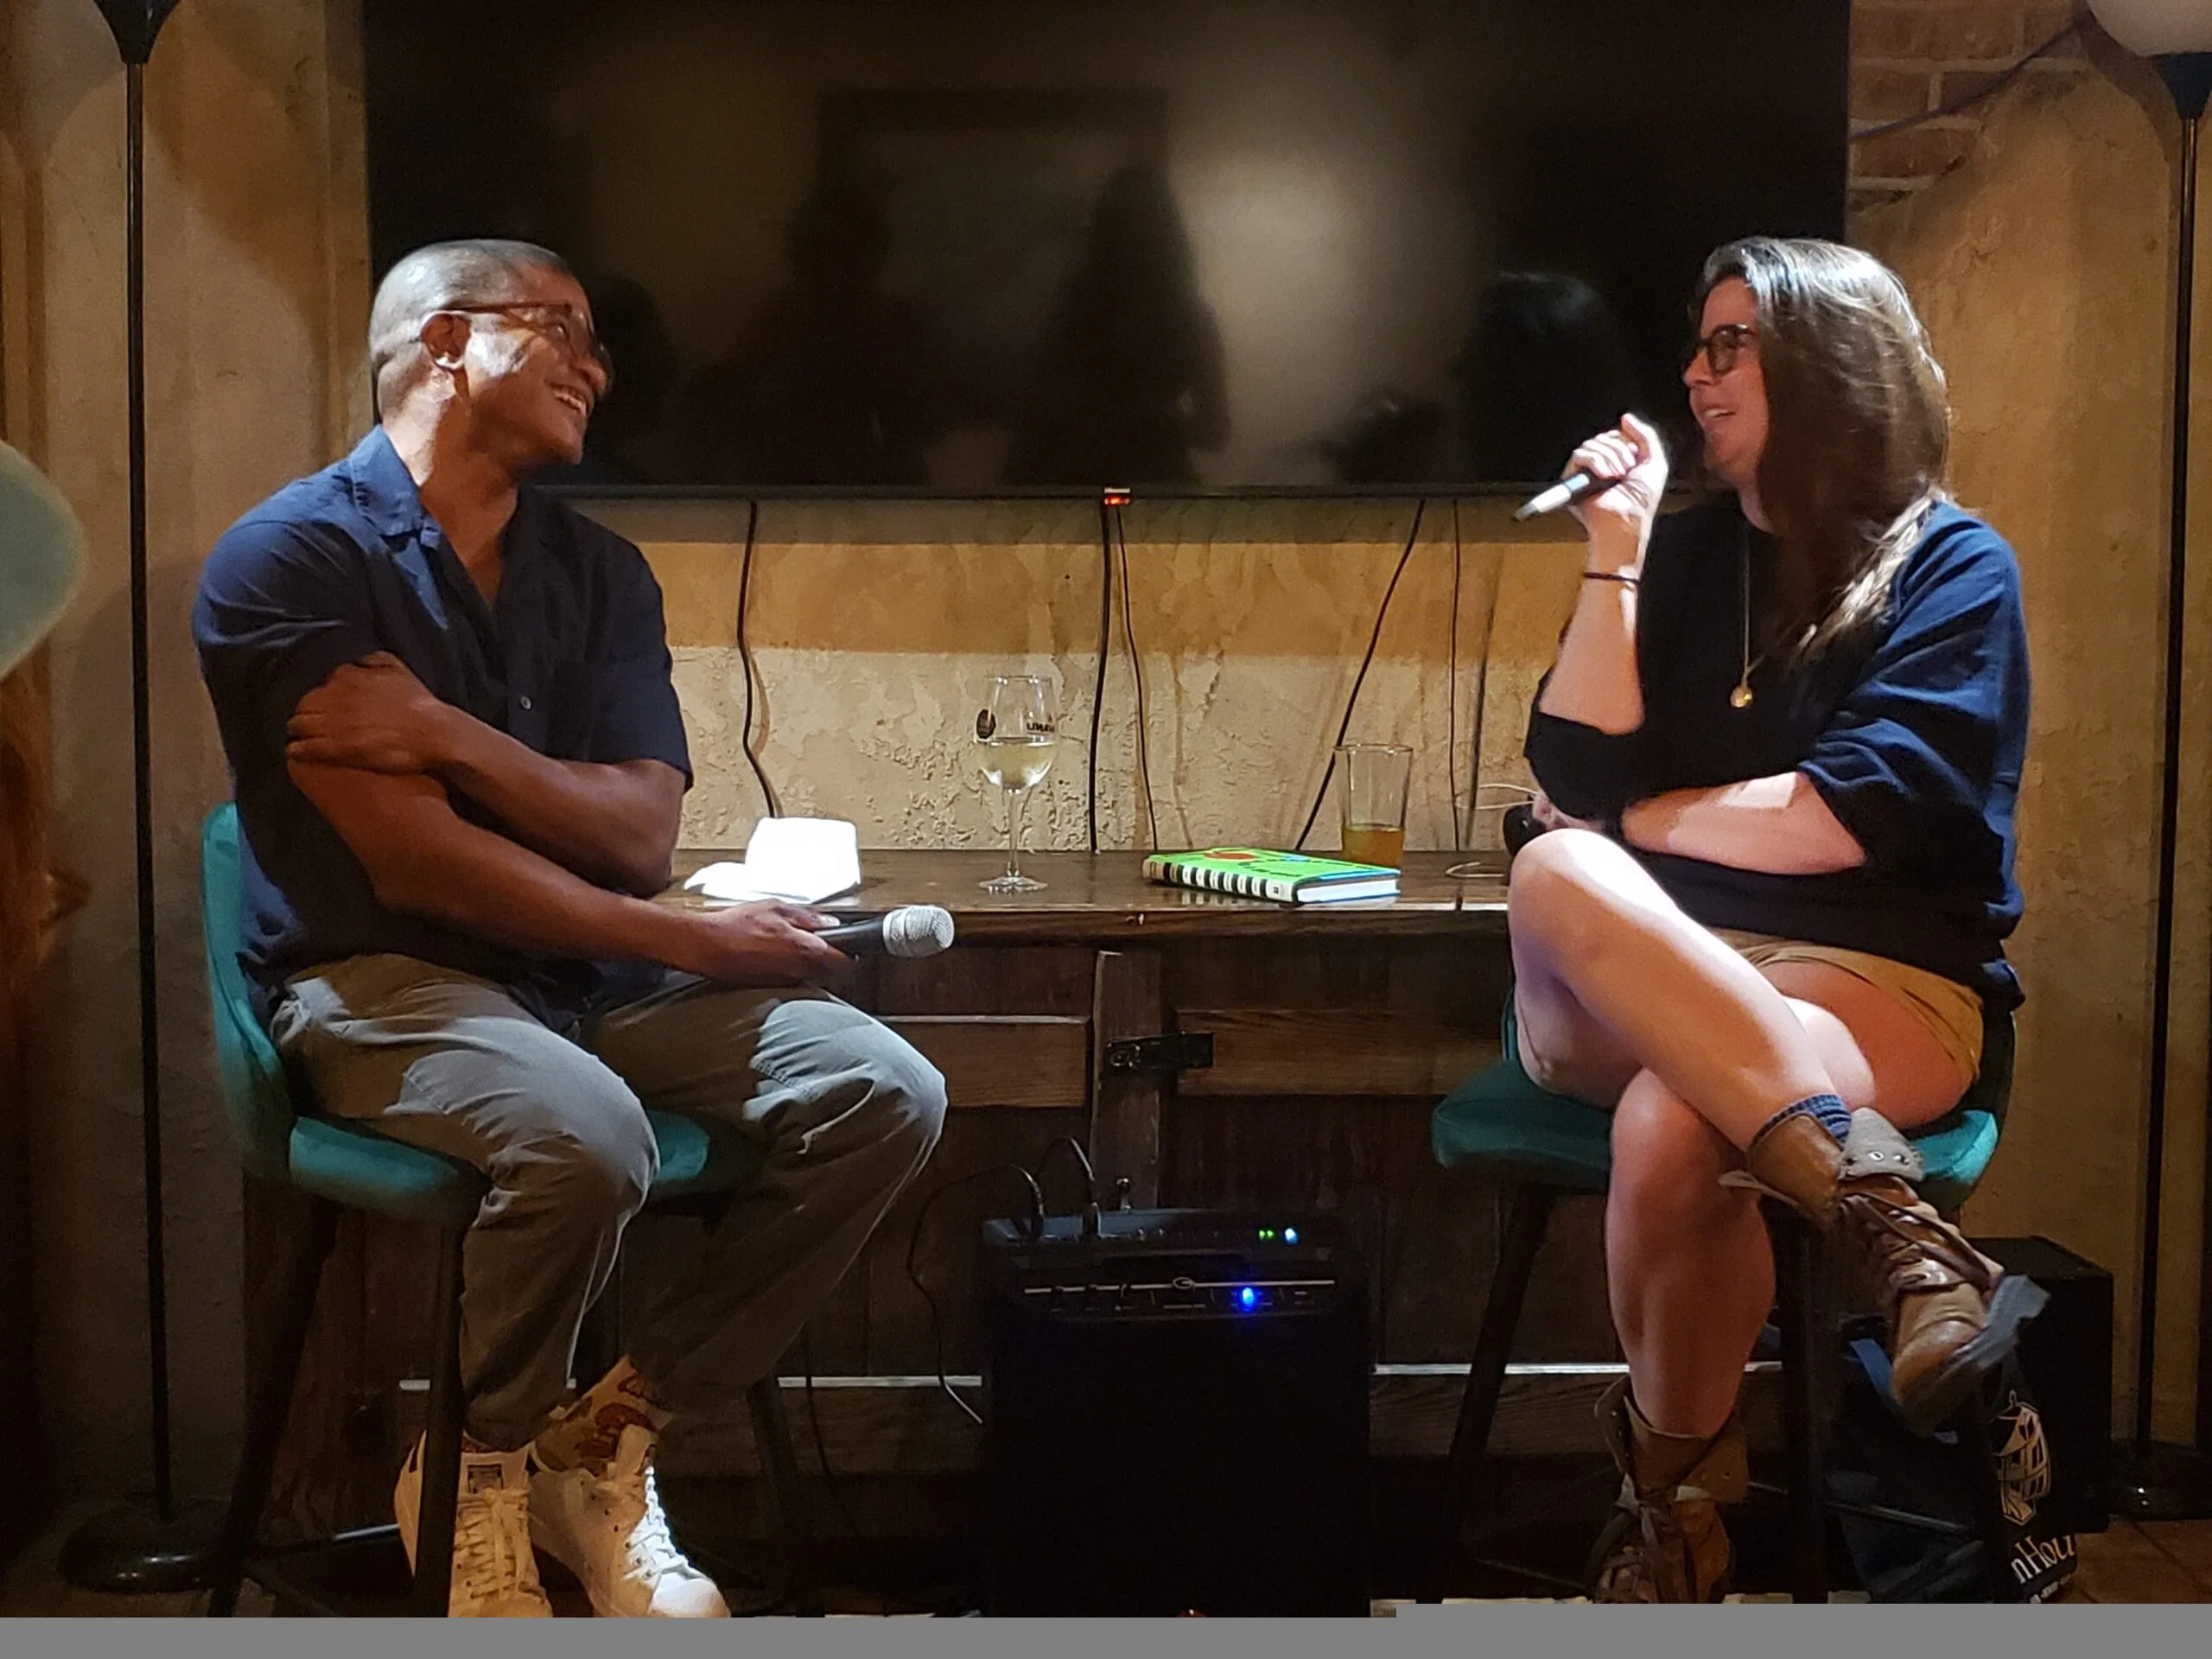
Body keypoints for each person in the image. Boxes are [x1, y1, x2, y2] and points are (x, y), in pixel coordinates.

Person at [193, 238, 948, 1618]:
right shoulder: (287, 558)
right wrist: (684, 941)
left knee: (884, 1090)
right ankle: (475, 1472)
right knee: (584, 1133)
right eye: (564, 331)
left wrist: (433, 727)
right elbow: (413, 861)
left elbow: (638, 835)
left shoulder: (601, 573)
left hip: (584, 982)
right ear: (443, 343)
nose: (598, 368)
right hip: (380, 979)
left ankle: (600, 1445)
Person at [1503, 237, 2031, 1602]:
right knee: (1551, 877)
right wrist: (1614, 556)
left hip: (1878, 982)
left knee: (1679, 1116)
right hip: (1642, 978)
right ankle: (1901, 1242)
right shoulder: (1678, 558)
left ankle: (1674, 1526)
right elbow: (1572, 777)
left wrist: (1629, 826)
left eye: (1730, 343)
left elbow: (1836, 820)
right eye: (1699, 340)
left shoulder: (1954, 569)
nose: (1693, 371)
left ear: (1832, 366)